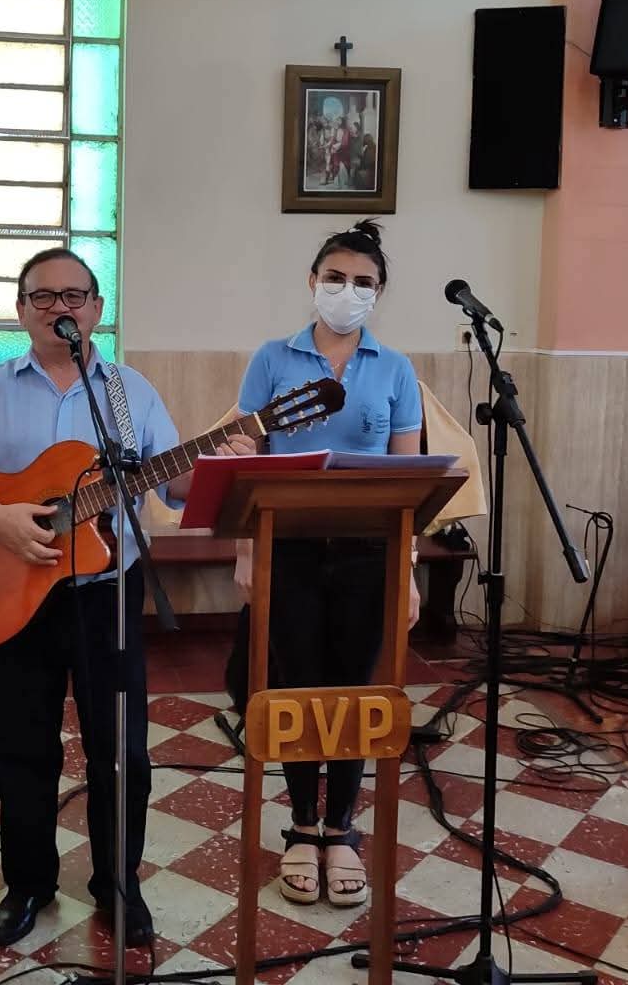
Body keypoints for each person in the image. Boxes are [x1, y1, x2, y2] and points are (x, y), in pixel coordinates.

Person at [0, 248, 254, 949]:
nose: (59, 307)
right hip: (18, 596)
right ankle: (28, 883)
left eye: (74, 296)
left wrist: (225, 457)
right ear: (21, 310)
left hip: (106, 595)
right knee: (22, 748)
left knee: (121, 752)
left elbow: (173, 484)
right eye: (43, 296)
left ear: (96, 308)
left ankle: (118, 884)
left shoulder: (127, 391)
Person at [231, 220, 423, 908]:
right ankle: (301, 825)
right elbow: (245, 461)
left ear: (379, 293)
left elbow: (410, 482)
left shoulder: (396, 369)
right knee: (296, 690)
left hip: (369, 554)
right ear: (313, 281)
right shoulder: (271, 360)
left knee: (354, 694)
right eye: (336, 277)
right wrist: (246, 550)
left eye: (363, 282)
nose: (348, 290)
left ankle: (340, 827)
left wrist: (407, 571)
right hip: (288, 549)